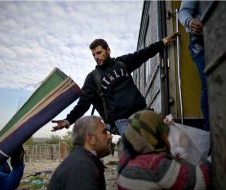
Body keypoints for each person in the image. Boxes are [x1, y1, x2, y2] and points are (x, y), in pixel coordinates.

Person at [51, 32, 179, 135]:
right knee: (138, 151)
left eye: (99, 52)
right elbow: (83, 103)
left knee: (163, 144)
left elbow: (142, 54)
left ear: (108, 50)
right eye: (93, 54)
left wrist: (163, 42)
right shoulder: (93, 78)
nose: (96, 57)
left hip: (143, 113)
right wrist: (69, 120)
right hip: (123, 122)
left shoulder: (122, 63)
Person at [117, 110, 211, 190]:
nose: (165, 133)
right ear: (151, 134)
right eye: (160, 128)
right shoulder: (155, 164)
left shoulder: (124, 162)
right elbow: (200, 180)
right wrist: (215, 157)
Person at [48, 116, 112, 190]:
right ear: (90, 138)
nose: (109, 136)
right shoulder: (81, 168)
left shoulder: (81, 160)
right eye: (104, 132)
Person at [179, 1, 209, 131]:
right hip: (202, 40)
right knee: (210, 83)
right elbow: (184, 11)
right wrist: (190, 22)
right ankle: (211, 132)